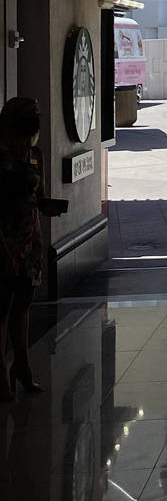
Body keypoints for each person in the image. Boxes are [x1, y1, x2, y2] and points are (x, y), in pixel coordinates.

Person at [0, 98, 64, 401]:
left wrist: (47, 206)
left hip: (30, 239)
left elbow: (38, 195)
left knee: (23, 304)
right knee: (2, 307)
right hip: (3, 238)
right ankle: (2, 371)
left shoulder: (34, 155)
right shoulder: (0, 158)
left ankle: (22, 367)